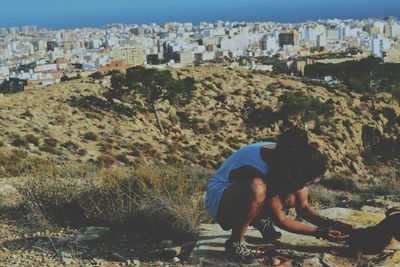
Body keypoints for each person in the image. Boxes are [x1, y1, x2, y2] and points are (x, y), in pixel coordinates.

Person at [205, 127, 353, 264]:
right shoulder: (262, 166)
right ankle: (235, 244)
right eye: (311, 180)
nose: (310, 184)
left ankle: (259, 218)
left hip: (239, 195)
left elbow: (303, 206)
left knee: (293, 195)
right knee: (257, 189)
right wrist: (319, 232)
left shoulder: (289, 158)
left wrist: (329, 224)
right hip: (219, 200)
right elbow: (281, 220)